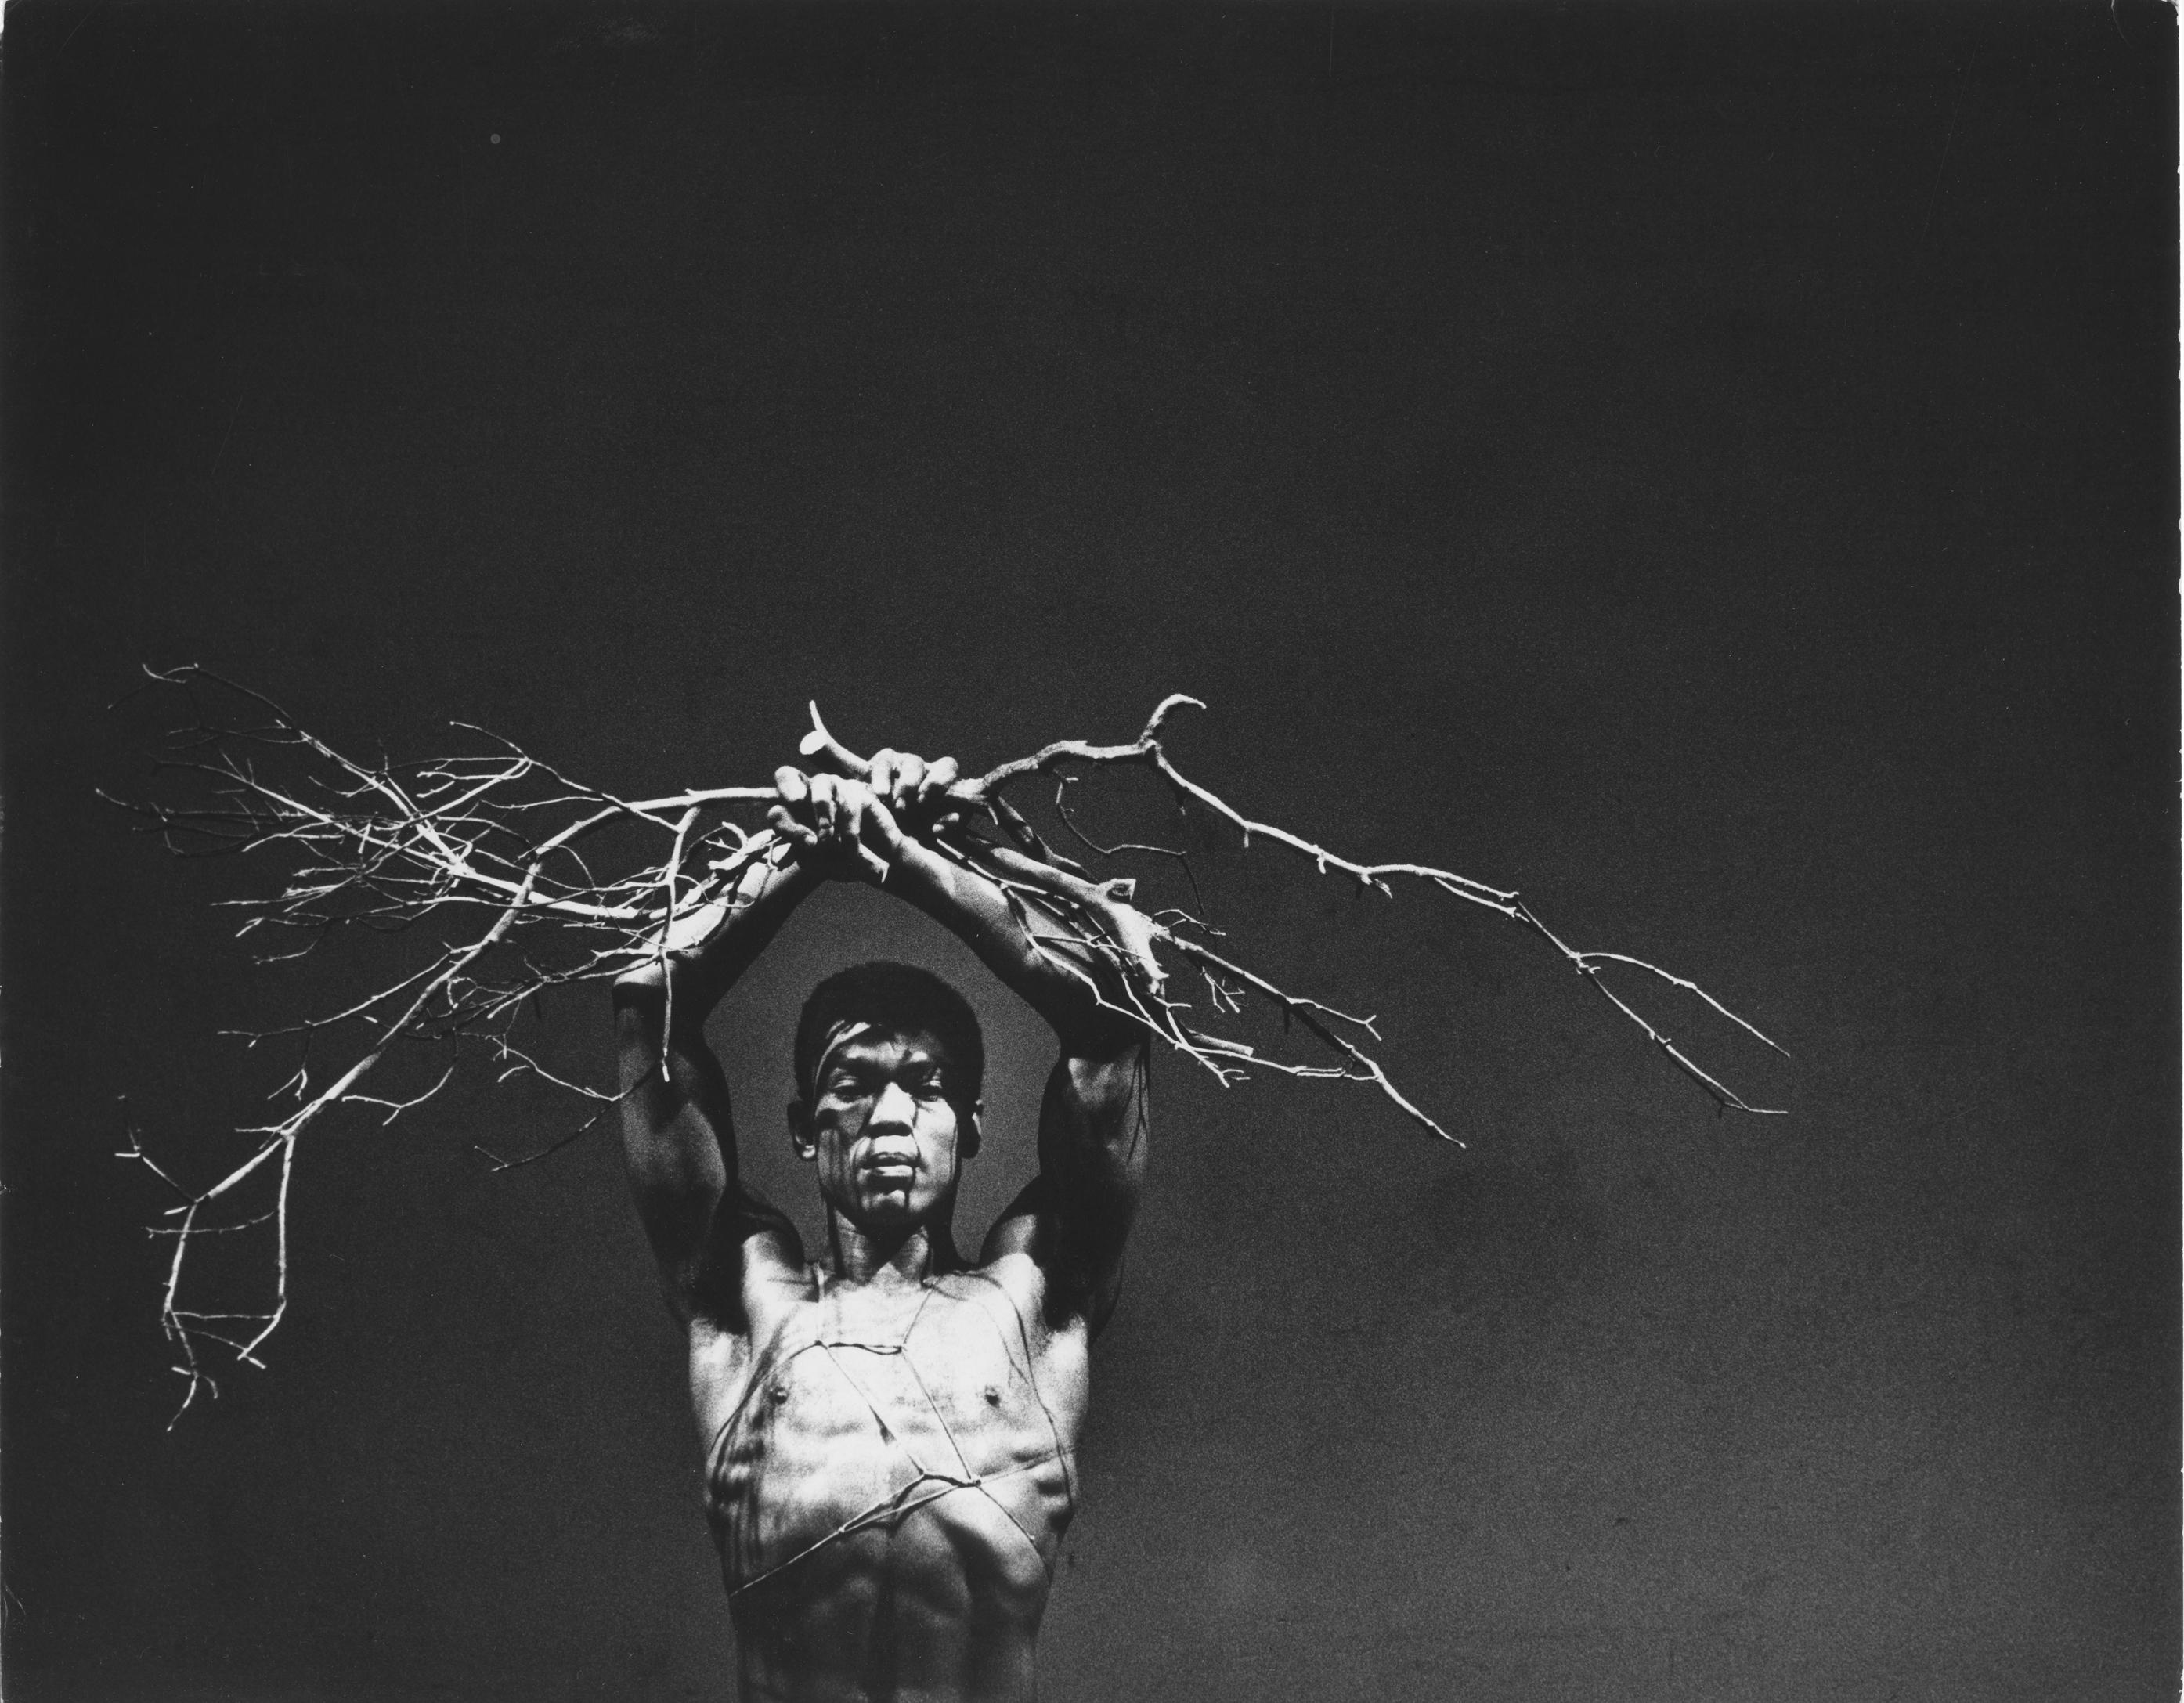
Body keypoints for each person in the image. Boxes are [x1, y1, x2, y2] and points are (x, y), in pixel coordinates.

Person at [612, 747, 1149, 1703]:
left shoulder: (1035, 1297)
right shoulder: (744, 1297)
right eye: (853, 1085)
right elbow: (649, 1006)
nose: (890, 1115)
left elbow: (1108, 1023)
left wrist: (912, 860)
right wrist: (808, 851)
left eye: (925, 1087)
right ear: (800, 1128)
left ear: (973, 1125)